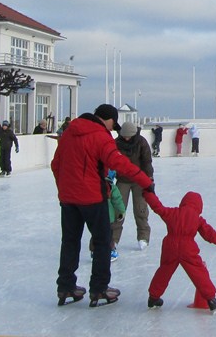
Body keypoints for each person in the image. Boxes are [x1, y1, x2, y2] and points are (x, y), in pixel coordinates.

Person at [52, 104, 154, 308]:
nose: (111, 129)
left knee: (69, 242)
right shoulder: (101, 136)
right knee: (102, 242)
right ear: (107, 120)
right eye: (112, 124)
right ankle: (99, 289)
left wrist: (63, 188)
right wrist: (145, 181)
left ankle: (66, 287)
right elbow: (119, 163)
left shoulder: (69, 134)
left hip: (68, 198)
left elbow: (56, 164)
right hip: (92, 197)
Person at [143, 189, 216, 313]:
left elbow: (157, 207)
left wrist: (148, 193)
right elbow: (210, 234)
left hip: (170, 246)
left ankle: (153, 297)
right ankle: (211, 299)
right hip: (188, 247)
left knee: (164, 271)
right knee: (199, 272)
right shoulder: (197, 219)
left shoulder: (172, 213)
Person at [112, 122, 154, 252]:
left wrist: (149, 179)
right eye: (124, 136)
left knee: (140, 209)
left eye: (129, 136)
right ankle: (113, 239)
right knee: (118, 210)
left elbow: (147, 162)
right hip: (122, 180)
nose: (126, 138)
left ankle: (143, 237)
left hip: (139, 180)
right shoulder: (116, 143)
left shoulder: (141, 142)